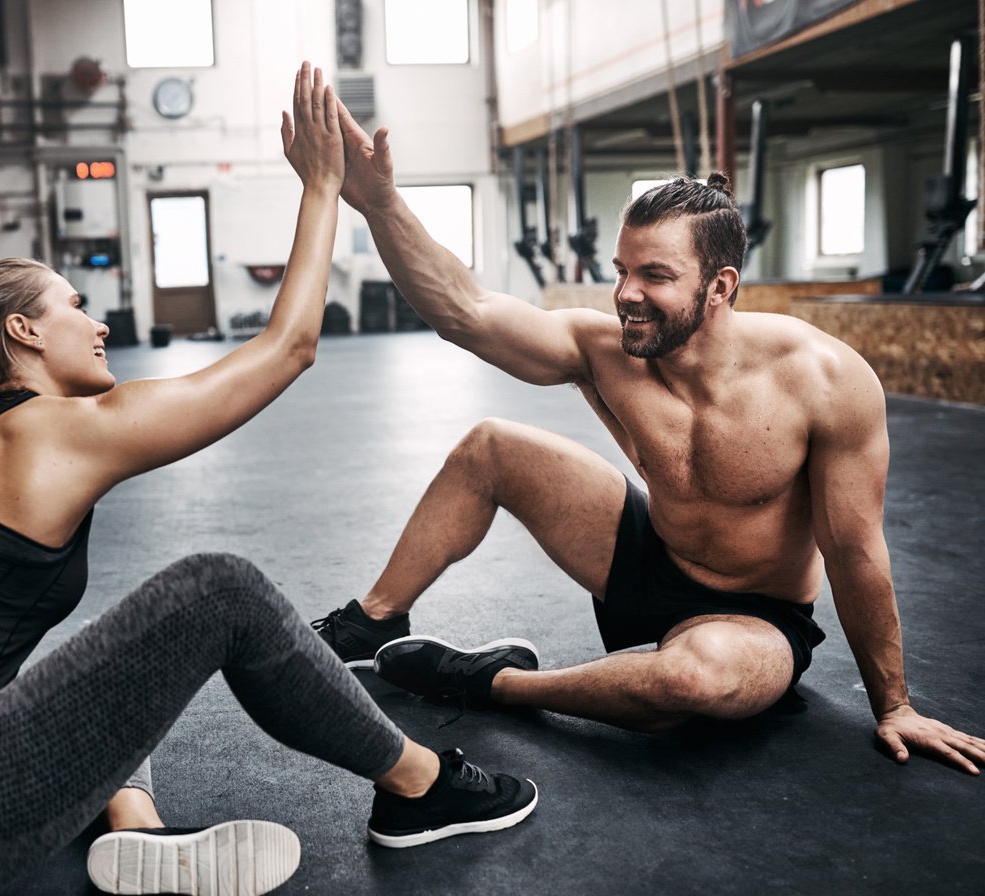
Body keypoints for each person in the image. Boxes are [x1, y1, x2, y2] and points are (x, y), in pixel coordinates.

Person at [0, 64, 538, 896]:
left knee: (112, 642)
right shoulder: (39, 434)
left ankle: (137, 832)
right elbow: (286, 349)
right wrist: (325, 189)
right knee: (219, 590)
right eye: (74, 304)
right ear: (24, 331)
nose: (98, 320)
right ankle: (422, 789)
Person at [311, 99, 985, 776]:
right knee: (492, 445)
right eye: (621, 271)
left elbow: (856, 549)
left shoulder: (824, 381)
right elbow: (466, 311)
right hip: (644, 555)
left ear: (719, 287)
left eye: (655, 276)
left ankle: (490, 681)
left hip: (754, 616)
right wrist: (378, 204)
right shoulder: (606, 349)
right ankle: (374, 620)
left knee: (693, 682)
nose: (626, 294)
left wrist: (894, 705)